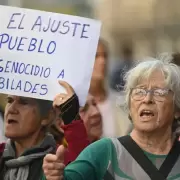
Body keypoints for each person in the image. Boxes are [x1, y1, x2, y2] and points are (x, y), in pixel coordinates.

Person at [43, 58, 180, 180]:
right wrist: (55, 177)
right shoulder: (104, 152)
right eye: (139, 91)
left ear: (177, 109)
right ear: (130, 106)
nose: (147, 99)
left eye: (159, 92)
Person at [0, 94, 56, 180]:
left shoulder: (58, 163)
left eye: (23, 102)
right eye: (10, 101)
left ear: (47, 116)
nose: (11, 109)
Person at [90, 39, 116, 137]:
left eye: (105, 56)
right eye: (96, 56)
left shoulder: (122, 102)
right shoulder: (73, 105)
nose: (102, 61)